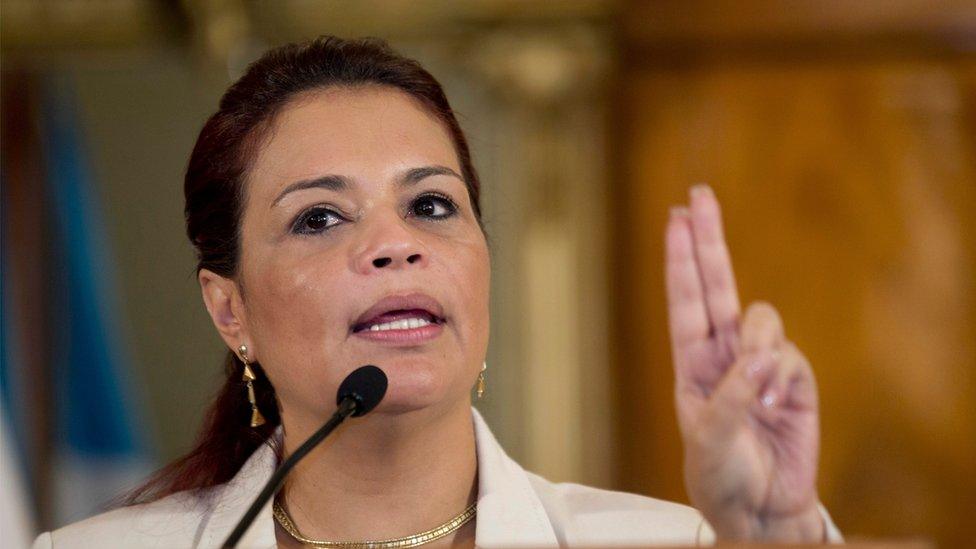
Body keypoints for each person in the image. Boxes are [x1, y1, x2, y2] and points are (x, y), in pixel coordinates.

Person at [32, 36, 841, 548]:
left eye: (430, 204)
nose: (395, 244)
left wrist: (779, 536)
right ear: (229, 310)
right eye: (319, 217)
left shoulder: (681, 542)